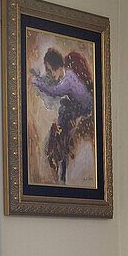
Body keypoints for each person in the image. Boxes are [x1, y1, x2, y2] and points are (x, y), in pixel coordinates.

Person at [30, 48, 95, 184]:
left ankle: (61, 162)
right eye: (48, 70)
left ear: (58, 67)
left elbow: (54, 92)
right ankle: (61, 159)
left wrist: (37, 83)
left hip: (86, 109)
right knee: (63, 109)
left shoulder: (68, 81)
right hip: (79, 105)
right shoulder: (68, 74)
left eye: (52, 70)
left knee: (62, 118)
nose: (51, 74)